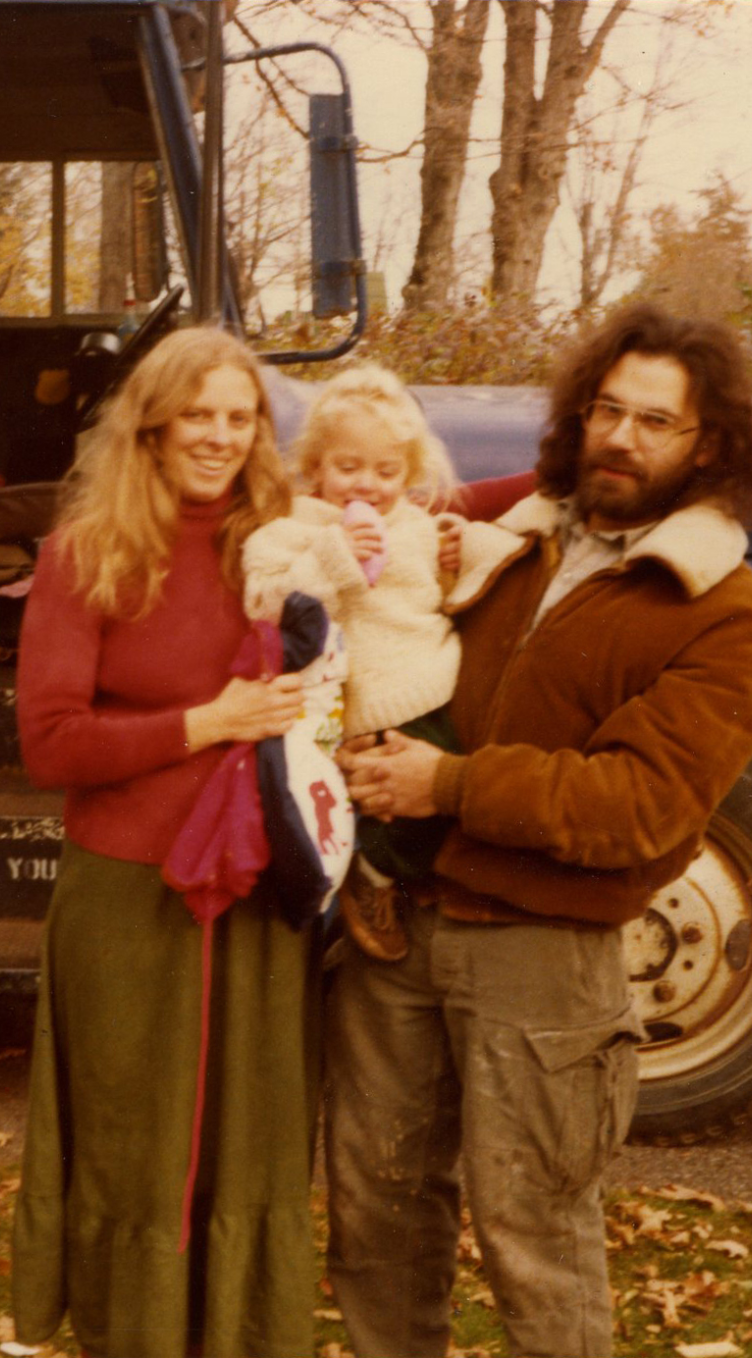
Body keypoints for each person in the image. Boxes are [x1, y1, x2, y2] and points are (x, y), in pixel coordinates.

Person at [325, 303, 752, 1358]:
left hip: (543, 953)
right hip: (399, 933)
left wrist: (450, 785)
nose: (622, 436)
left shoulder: (719, 607)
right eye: (609, 408)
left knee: (533, 1232)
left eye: (657, 421)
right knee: (375, 1213)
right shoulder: (515, 537)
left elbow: (639, 804)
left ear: (708, 445)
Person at [10, 327, 322, 1358]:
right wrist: (208, 721)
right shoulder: (87, 551)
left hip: (257, 882)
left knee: (249, 1133)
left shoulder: (284, 540)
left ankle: (237, 1330)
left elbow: (426, 510)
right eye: (199, 414)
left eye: (241, 418)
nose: (221, 437)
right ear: (153, 421)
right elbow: (48, 742)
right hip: (129, 890)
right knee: (131, 1141)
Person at [243, 364, 519, 961]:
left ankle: (388, 876)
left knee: (446, 806)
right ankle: (368, 877)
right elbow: (262, 602)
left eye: (386, 471)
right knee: (374, 813)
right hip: (351, 711)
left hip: (432, 690)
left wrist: (463, 547)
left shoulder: (417, 527)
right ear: (316, 465)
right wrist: (333, 557)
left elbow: (457, 591)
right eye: (348, 468)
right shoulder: (291, 529)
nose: (367, 484)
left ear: (410, 474)